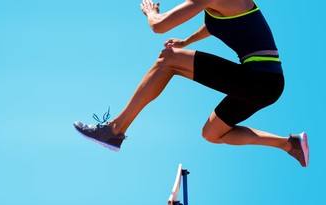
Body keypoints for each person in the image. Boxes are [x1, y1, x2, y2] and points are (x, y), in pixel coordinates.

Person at [73, 0, 309, 167]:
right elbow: (215, 24)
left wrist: (150, 12)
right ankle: (290, 144)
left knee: (168, 60)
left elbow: (159, 26)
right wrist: (186, 41)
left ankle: (115, 130)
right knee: (212, 133)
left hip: (259, 79)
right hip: (265, 85)